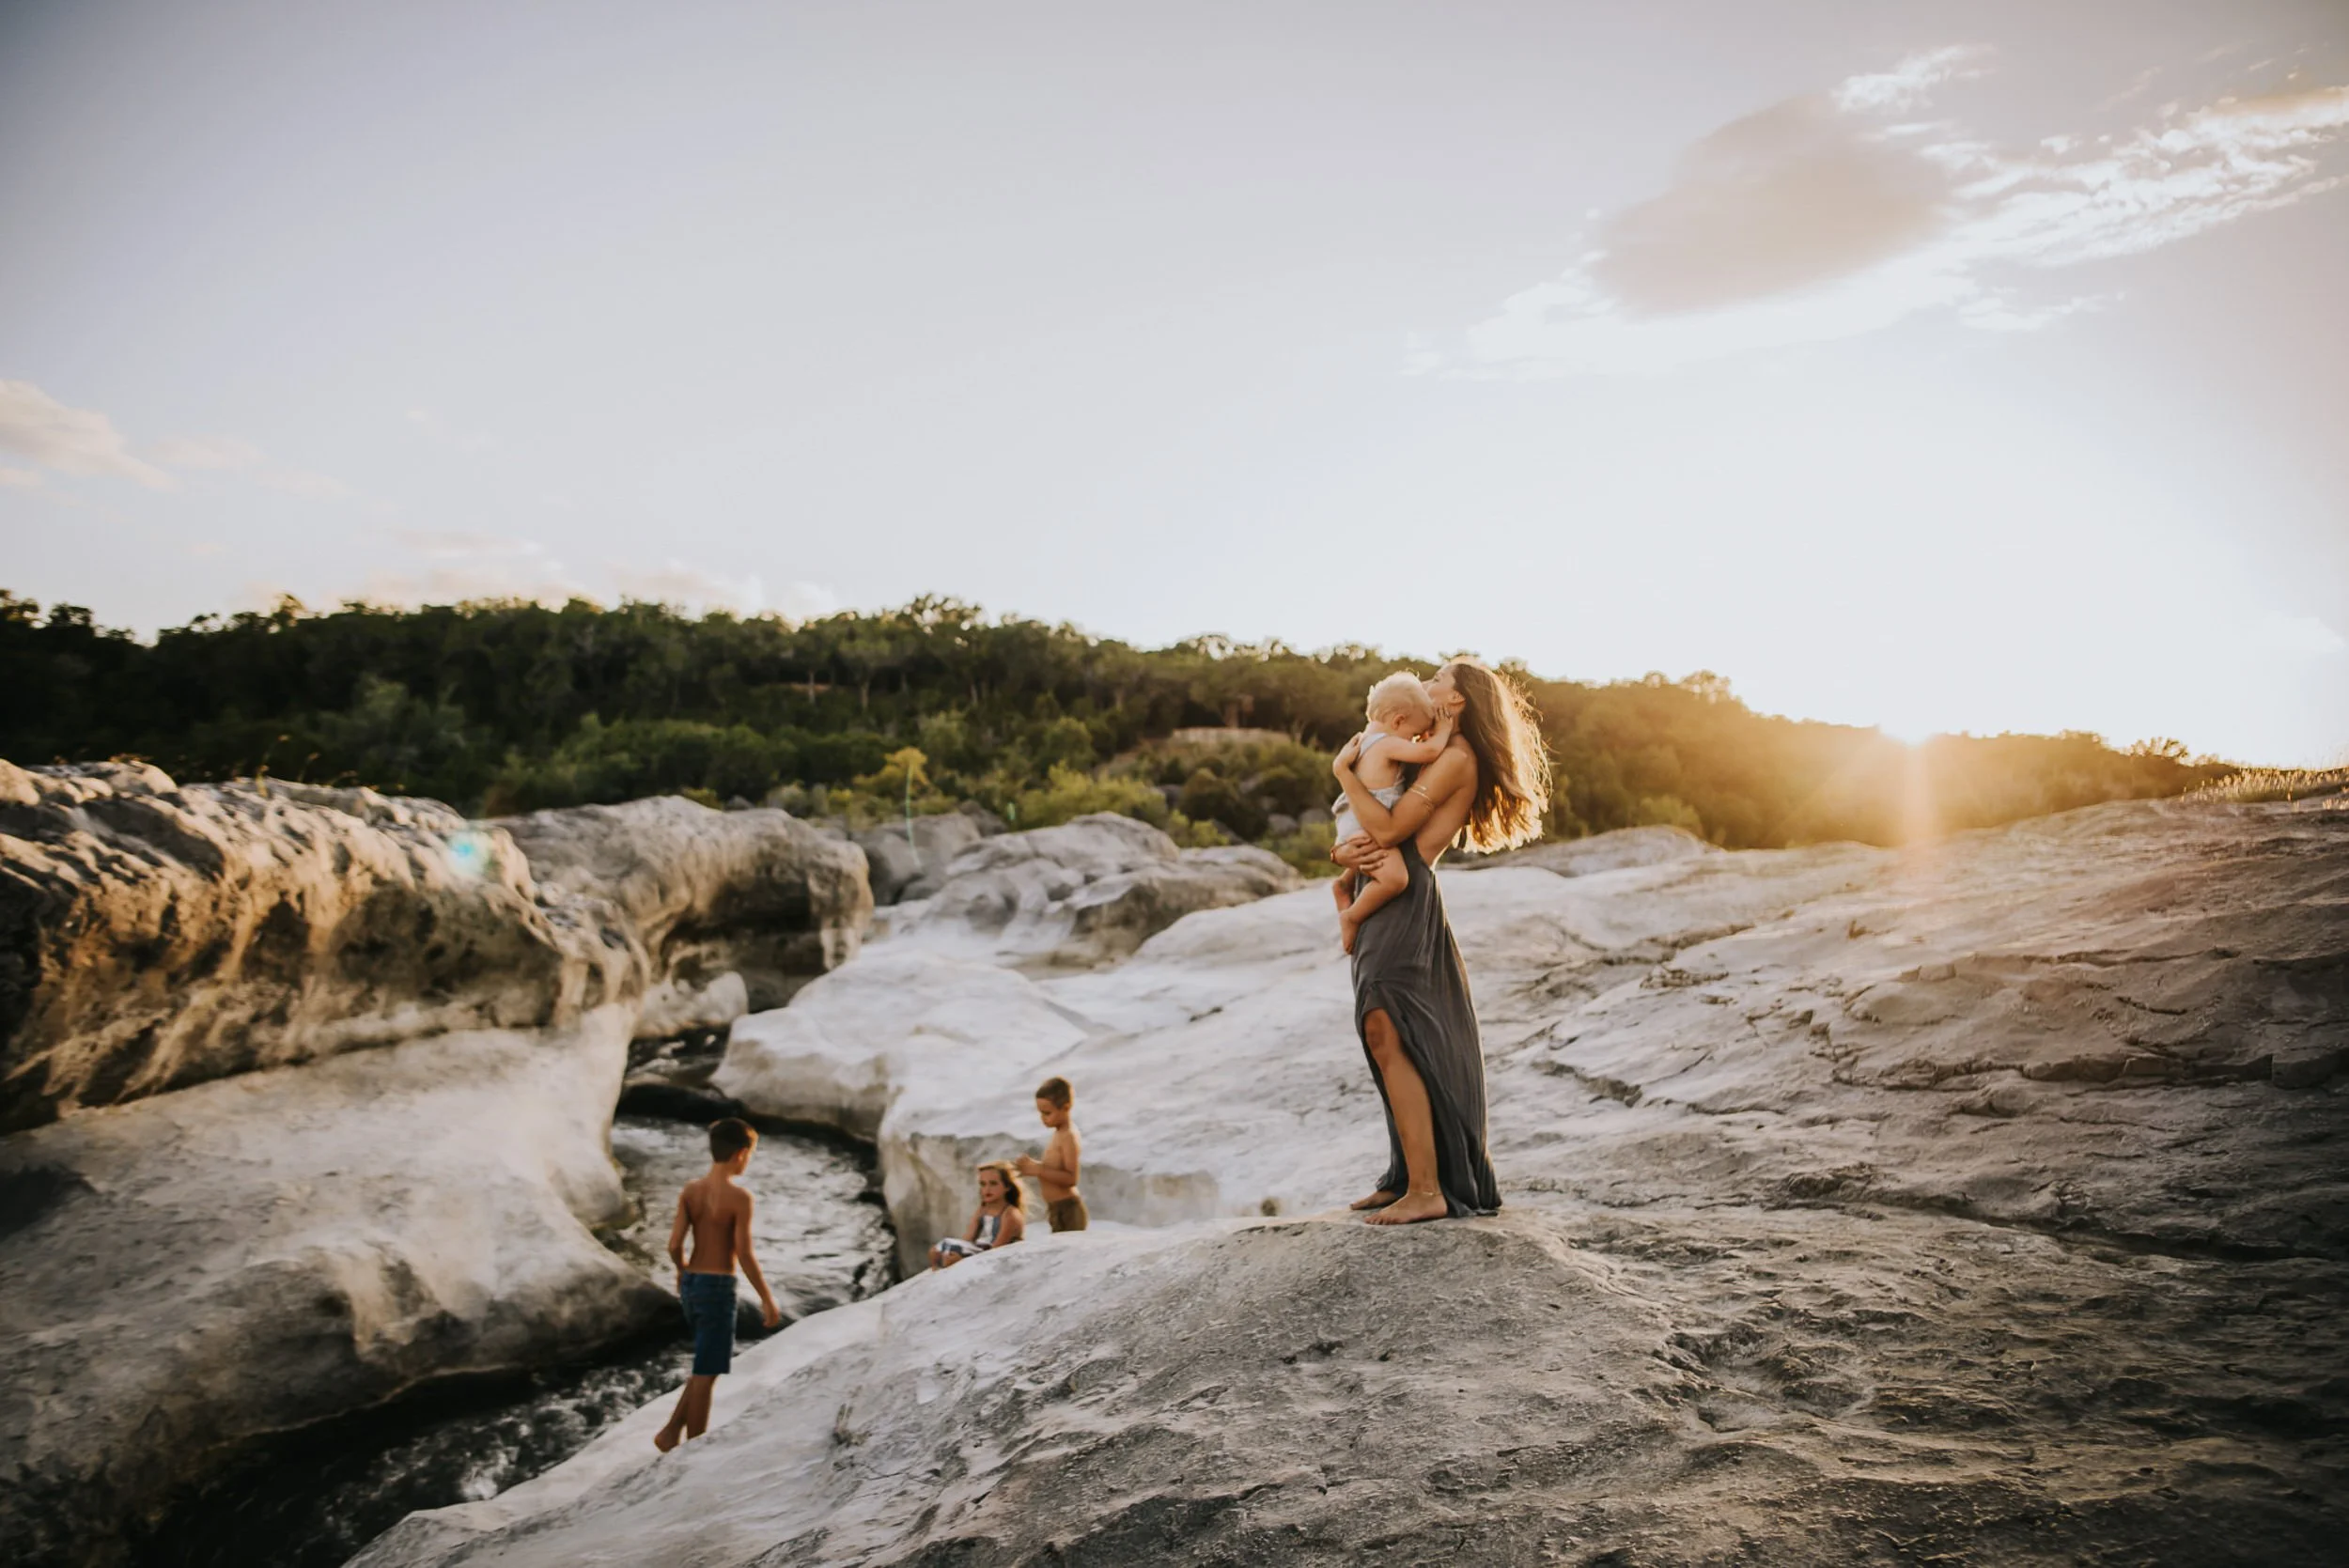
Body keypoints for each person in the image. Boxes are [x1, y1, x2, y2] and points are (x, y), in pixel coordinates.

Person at [1330, 657, 1548, 1226]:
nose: (1428, 686)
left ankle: (1428, 1189)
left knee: (1390, 1029)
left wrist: (1344, 775)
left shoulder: (1455, 758)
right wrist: (1339, 853)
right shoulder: (1425, 751)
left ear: (1457, 702)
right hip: (1384, 891)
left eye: (1438, 682)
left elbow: (1389, 830)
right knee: (1385, 1034)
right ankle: (1405, 1176)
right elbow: (1365, 832)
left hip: (1406, 902)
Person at [654, 1117, 783, 1452]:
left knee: (703, 1364)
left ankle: (669, 1432)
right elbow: (743, 1253)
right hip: (718, 1287)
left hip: (693, 1284)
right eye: (751, 1153)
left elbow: (673, 1245)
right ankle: (692, 1451)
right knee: (707, 1371)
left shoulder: (691, 1190)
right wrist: (766, 1298)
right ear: (741, 1154)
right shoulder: (740, 1197)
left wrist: (682, 1271)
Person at [1330, 671, 1458, 955]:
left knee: (1366, 851)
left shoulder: (1363, 740)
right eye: (1413, 734)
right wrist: (1443, 732)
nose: (1415, 740)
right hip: (1365, 822)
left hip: (1351, 817)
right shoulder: (1387, 744)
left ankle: (1344, 883)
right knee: (1396, 879)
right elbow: (1429, 753)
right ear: (1398, 720)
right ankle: (1352, 915)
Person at [1014, 1076, 1086, 1232]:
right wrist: (1029, 1167)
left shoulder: (1068, 1136)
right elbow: (1053, 1168)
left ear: (1066, 1108)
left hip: (1068, 1209)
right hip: (1056, 1208)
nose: (1043, 1119)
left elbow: (1071, 1178)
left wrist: (1038, 1169)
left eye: (1047, 1113)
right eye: (1040, 1113)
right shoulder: (1058, 1134)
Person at [928, 1160, 1028, 1269]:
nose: (987, 1189)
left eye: (993, 1184)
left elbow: (998, 1249)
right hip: (984, 1250)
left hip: (1002, 1255)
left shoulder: (1010, 1214)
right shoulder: (983, 1210)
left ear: (1007, 1186)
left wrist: (962, 1260)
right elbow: (968, 1239)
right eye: (983, 1184)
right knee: (939, 1249)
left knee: (950, 1256)